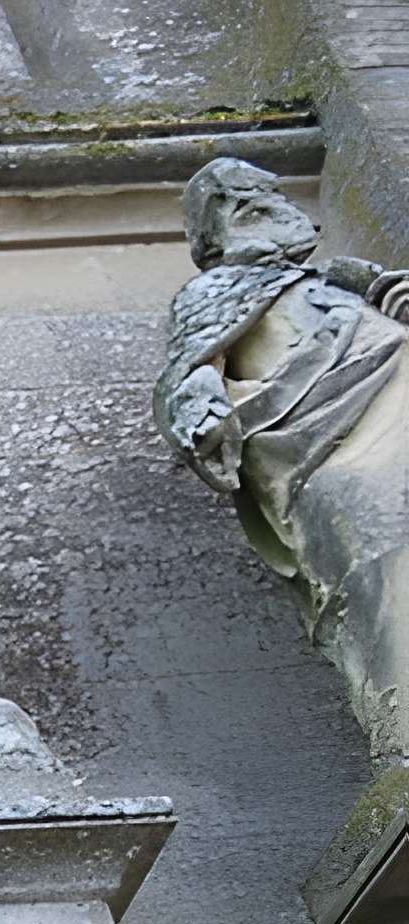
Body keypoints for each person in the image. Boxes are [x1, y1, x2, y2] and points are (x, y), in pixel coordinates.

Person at [158, 156, 409, 766]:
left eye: (268, 197)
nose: (266, 208)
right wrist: (201, 412)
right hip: (327, 447)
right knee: (388, 561)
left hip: (400, 401)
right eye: (244, 206)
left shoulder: (346, 278)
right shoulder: (210, 294)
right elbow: (187, 378)